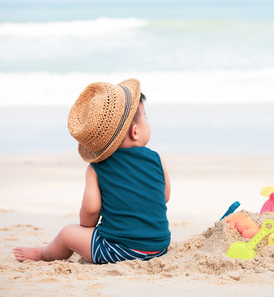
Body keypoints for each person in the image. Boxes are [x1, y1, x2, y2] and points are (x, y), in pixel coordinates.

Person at [13, 78, 171, 264]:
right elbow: (164, 196)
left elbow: (91, 209)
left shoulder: (97, 168)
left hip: (117, 251)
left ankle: (43, 254)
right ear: (135, 131)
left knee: (67, 233)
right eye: (147, 118)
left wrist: (86, 227)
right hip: (159, 248)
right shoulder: (157, 159)